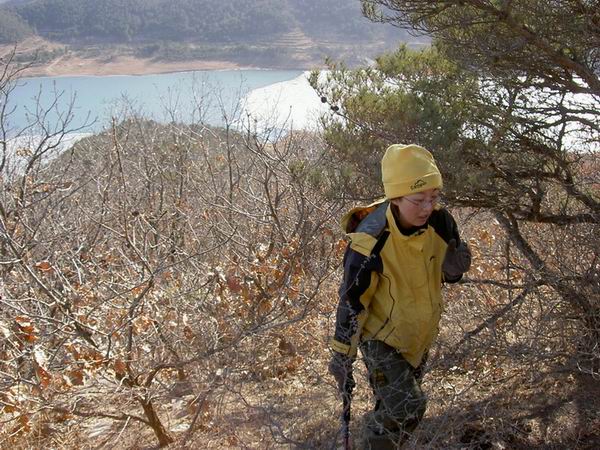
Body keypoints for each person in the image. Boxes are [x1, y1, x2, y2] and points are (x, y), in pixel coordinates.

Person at [329, 144, 472, 449]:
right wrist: (342, 355)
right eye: (418, 200)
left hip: (418, 334)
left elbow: (449, 273)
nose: (427, 207)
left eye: (434, 197)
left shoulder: (441, 223)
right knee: (408, 407)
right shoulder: (369, 239)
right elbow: (352, 301)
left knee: (396, 412)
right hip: (381, 338)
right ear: (395, 197)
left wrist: (454, 269)